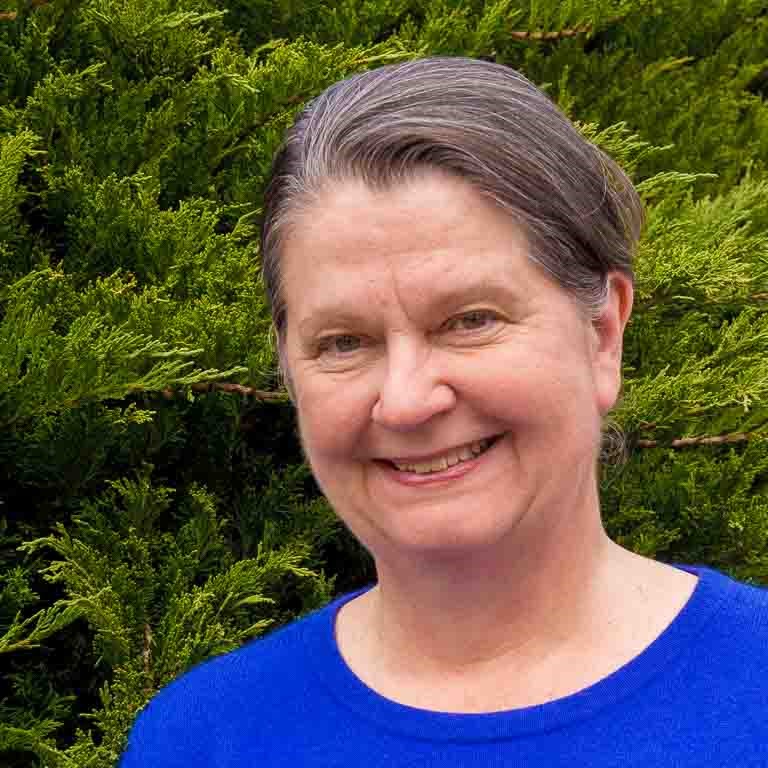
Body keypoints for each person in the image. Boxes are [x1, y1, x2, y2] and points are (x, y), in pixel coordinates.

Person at [120, 57, 768, 766]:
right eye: (344, 342)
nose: (405, 400)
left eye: (469, 321)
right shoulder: (202, 739)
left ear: (602, 334)